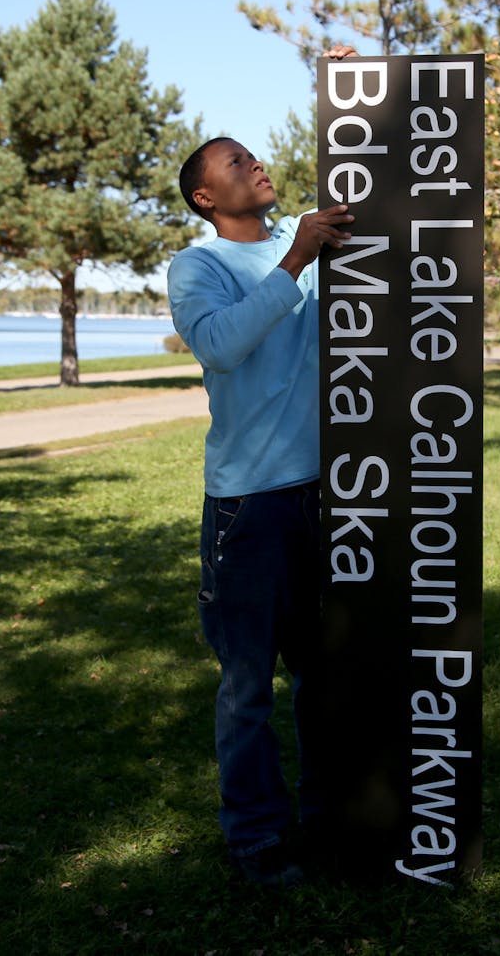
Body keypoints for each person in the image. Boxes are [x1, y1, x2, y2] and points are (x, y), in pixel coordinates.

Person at [167, 130, 353, 888]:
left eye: (254, 155)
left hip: (331, 497)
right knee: (249, 687)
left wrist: (362, 83)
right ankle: (255, 838)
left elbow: (377, 182)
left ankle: (323, 819)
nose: (256, 165)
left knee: (322, 675)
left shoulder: (311, 244)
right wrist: (297, 262)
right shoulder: (199, 264)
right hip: (249, 505)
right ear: (206, 197)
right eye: (236, 163)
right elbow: (219, 346)